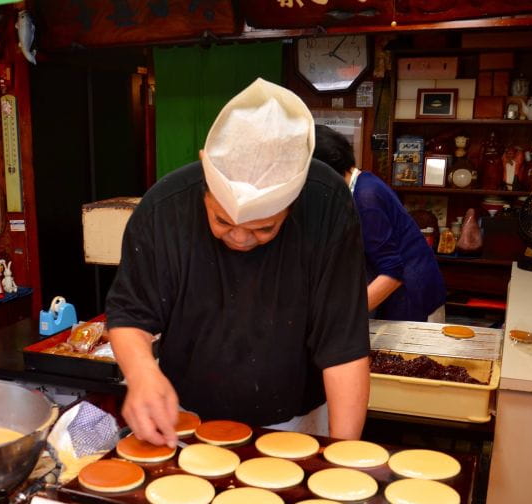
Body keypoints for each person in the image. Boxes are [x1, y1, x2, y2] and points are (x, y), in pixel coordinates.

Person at [106, 78, 370, 447]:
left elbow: (343, 344)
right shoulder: (163, 209)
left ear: (293, 204)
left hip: (298, 421)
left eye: (264, 228)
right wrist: (141, 373)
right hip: (185, 418)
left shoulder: (327, 206)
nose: (241, 237)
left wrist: (344, 456)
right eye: (222, 221)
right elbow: (130, 313)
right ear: (205, 181)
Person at [314, 125, 446, 321]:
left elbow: (393, 271)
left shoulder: (365, 198)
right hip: (407, 289)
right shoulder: (361, 182)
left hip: (413, 296)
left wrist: (343, 320)